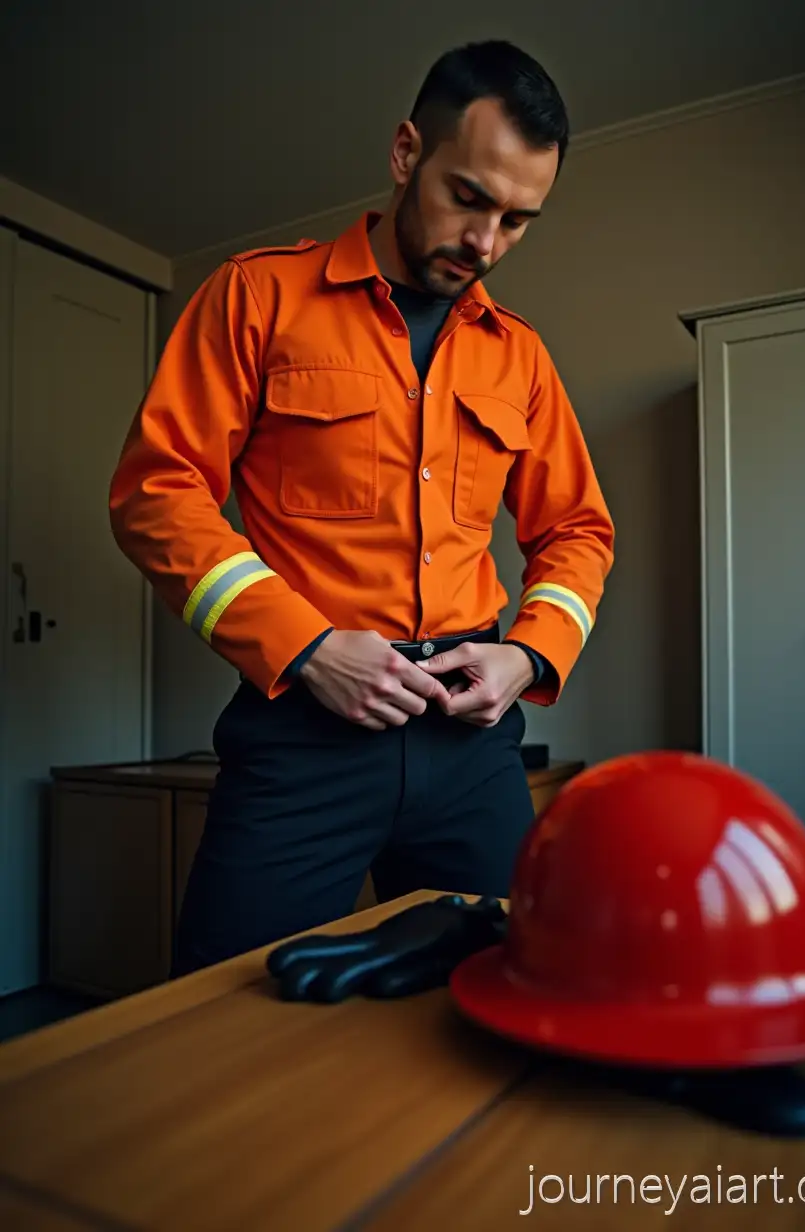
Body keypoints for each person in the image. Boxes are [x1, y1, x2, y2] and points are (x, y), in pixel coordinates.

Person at [109, 39, 615, 975]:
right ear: (404, 153)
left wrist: (528, 653)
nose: (487, 243)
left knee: (526, 992)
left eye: (517, 220)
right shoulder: (257, 295)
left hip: (472, 745)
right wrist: (302, 646)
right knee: (222, 1022)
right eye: (469, 197)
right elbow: (155, 490)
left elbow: (578, 530)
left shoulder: (522, 359)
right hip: (302, 739)